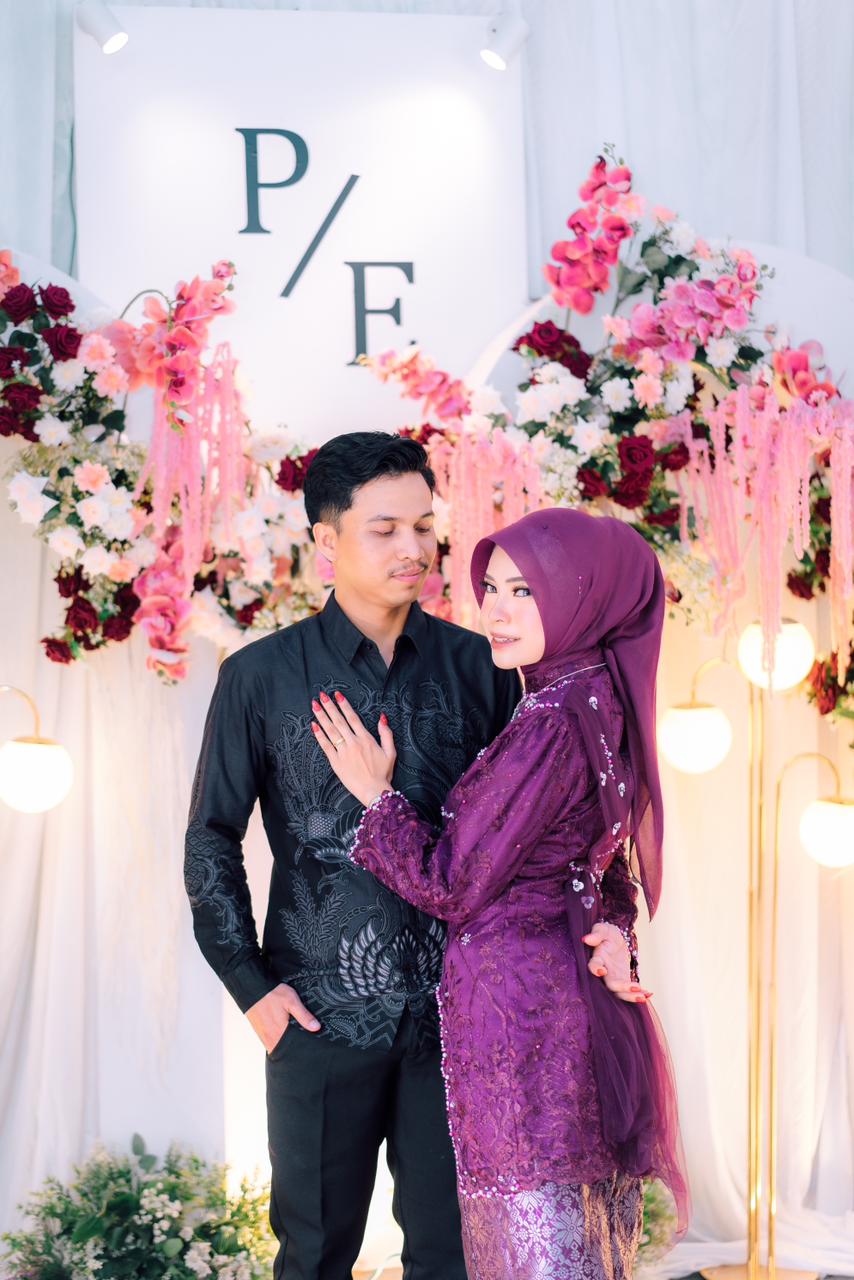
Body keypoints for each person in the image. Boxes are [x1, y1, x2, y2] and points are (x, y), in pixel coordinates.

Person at [311, 507, 690, 1280]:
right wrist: (616, 930)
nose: (497, 610)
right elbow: (601, 859)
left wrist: (375, 796)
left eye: (526, 591)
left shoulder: (553, 720)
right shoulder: (598, 701)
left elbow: (450, 881)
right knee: (575, 1241)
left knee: (536, 1241)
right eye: (491, 588)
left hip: (522, 1022)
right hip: (565, 1008)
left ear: (584, 597)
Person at [183, 431, 519, 1280]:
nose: (414, 548)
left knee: (455, 1256)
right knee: (314, 1254)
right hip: (317, 1016)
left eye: (424, 526)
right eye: (385, 529)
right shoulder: (261, 676)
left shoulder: (481, 668)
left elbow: (513, 840)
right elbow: (212, 835)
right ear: (326, 541)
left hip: (458, 1018)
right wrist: (252, 988)